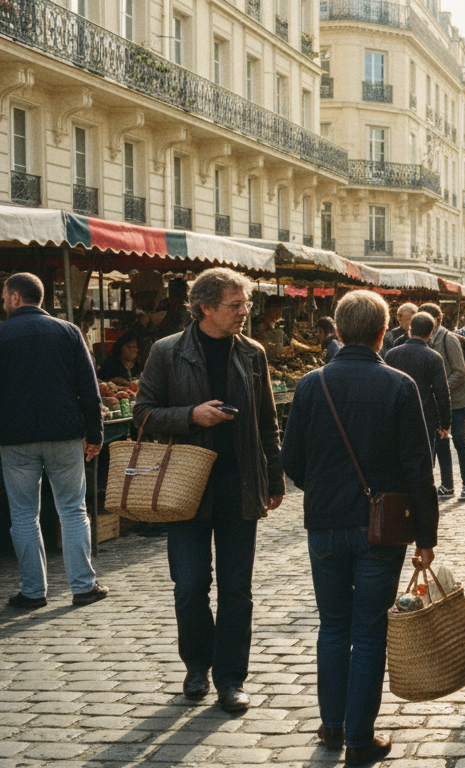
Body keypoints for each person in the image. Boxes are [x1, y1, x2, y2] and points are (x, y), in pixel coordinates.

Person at [281, 290, 438, 764]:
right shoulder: (398, 385)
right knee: (368, 630)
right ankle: (358, 737)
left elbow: (292, 460)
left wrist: (323, 489)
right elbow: (418, 467)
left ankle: (331, 725)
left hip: (325, 523)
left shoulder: (311, 384)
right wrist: (426, 537)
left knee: (333, 626)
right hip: (381, 529)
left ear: (339, 330)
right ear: (380, 333)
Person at [134, 267, 285, 711]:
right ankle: (196, 665)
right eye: (235, 305)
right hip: (185, 488)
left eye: (246, 304)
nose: (244, 312)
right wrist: (189, 416)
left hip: (239, 484)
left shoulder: (253, 352)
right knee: (190, 585)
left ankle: (231, 678)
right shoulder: (167, 352)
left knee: (237, 589)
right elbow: (142, 412)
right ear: (205, 308)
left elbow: (266, 422)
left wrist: (274, 479)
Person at [0, 273, 108, 611]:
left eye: (4, 296)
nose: (2, 302)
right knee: (73, 511)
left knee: (23, 515)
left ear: (16, 297)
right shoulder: (69, 332)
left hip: (16, 438)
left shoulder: (2, 334)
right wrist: (96, 434)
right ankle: (83, 586)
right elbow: (89, 391)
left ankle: (33, 592)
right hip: (64, 434)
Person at [418, 302, 465, 501]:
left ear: (438, 320)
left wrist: (440, 389)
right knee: (441, 443)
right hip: (438, 400)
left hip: (456, 400)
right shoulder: (425, 340)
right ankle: (447, 485)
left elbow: (460, 372)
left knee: (459, 440)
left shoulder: (448, 338)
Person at [384, 312, 453, 445]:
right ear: (430, 333)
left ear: (410, 329)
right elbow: (442, 393)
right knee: (424, 457)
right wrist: (444, 423)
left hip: (396, 414)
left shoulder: (391, 354)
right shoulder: (433, 357)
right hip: (424, 414)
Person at [251, 296, 290, 361]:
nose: (279, 312)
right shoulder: (258, 324)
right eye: (277, 309)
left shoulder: (277, 324)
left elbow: (286, 342)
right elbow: (263, 345)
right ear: (269, 309)